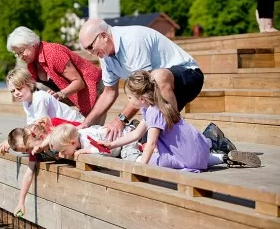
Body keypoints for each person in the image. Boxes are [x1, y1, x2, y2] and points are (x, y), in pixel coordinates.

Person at [98, 70, 261, 172]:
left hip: (188, 158)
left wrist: (140, 168)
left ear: (141, 99)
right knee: (195, 157)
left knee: (144, 158)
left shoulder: (153, 113)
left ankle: (218, 159)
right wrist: (112, 145)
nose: (127, 100)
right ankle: (223, 157)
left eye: (129, 97)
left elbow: (151, 143)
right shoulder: (159, 106)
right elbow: (136, 133)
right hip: (200, 149)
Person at [78, 19, 204, 141]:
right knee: (144, 141)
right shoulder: (104, 55)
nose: (89, 53)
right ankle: (204, 141)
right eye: (86, 49)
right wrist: (86, 123)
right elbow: (109, 93)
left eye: (90, 47)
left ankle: (173, 137)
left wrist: (120, 120)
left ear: (104, 36)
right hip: (156, 90)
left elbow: (144, 86)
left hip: (189, 76)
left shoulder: (132, 40)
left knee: (157, 77)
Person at [7, 26, 106, 123]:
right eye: (17, 54)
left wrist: (60, 94)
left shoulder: (53, 53)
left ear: (32, 43)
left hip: (92, 89)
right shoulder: (31, 64)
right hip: (70, 94)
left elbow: (79, 83)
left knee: (92, 132)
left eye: (21, 51)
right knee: (35, 88)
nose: (20, 56)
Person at [0, 67, 85, 153]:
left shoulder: (39, 98)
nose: (16, 93)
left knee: (34, 147)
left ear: (29, 84)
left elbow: (40, 127)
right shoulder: (26, 102)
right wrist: (13, 141)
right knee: (27, 147)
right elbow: (31, 126)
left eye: (19, 88)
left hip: (76, 125)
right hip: (61, 129)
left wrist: (12, 142)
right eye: (13, 91)